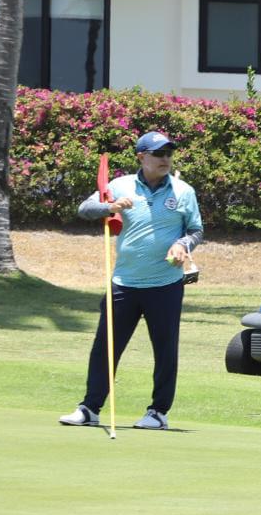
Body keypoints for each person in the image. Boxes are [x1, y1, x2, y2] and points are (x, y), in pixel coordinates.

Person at [59, 132, 203, 431]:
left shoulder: (183, 191)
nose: (165, 159)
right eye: (158, 154)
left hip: (165, 284)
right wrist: (110, 208)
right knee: (106, 347)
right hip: (124, 282)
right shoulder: (119, 186)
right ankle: (90, 408)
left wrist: (183, 245)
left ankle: (158, 413)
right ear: (141, 157)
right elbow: (85, 209)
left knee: (165, 350)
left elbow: (195, 230)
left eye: (168, 153)